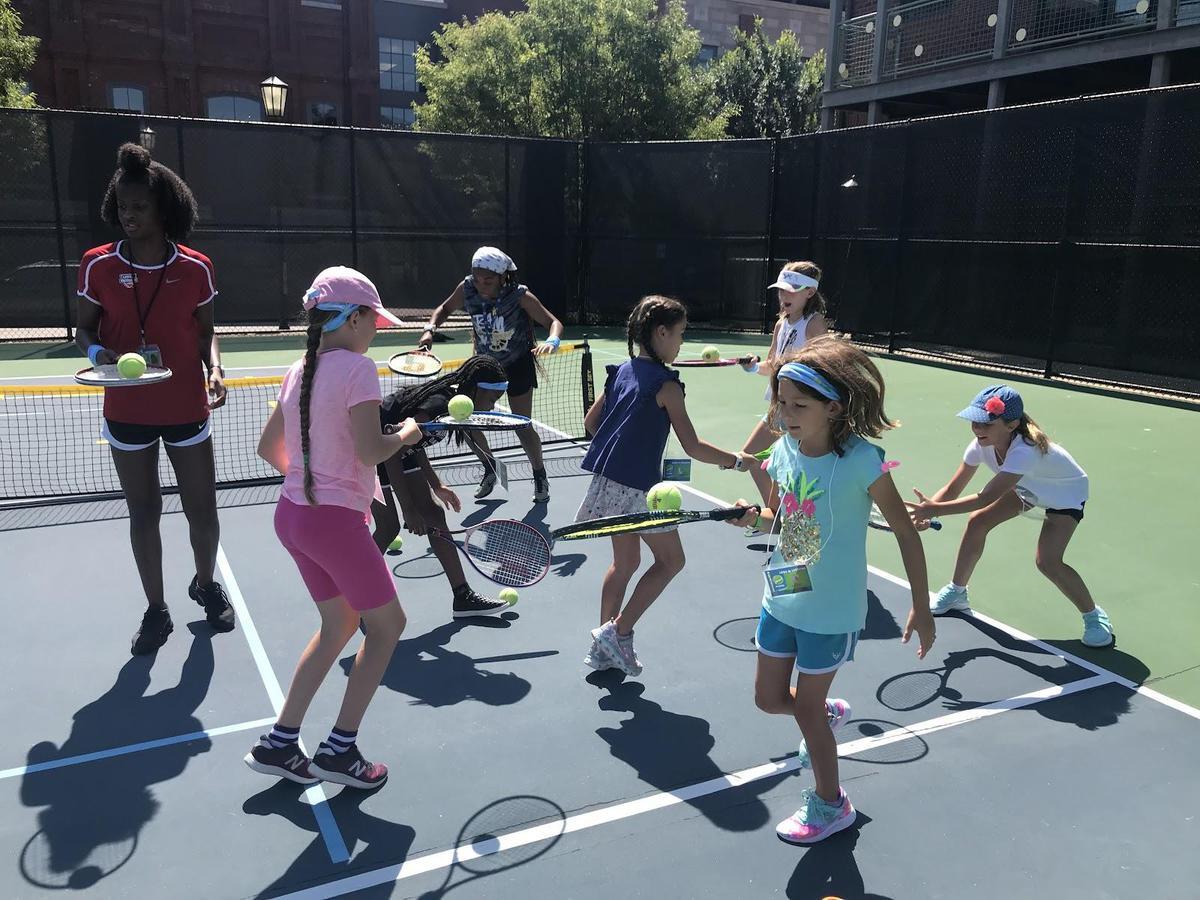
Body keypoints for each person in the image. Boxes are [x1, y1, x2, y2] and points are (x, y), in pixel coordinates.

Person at [729, 335, 934, 844]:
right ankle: (823, 714)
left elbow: (907, 534)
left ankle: (831, 804)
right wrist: (755, 521)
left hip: (831, 608)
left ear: (833, 408)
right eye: (780, 403)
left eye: (799, 405)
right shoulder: (782, 451)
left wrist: (922, 607)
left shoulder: (864, 461)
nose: (785, 413)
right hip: (782, 595)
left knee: (801, 709)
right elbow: (782, 519)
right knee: (767, 698)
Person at [245, 267, 421, 789]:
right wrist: (408, 434)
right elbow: (371, 450)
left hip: (293, 516)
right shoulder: (359, 370)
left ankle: (280, 742)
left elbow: (268, 449)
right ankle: (340, 751)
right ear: (356, 317)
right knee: (388, 627)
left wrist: (312, 479)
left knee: (339, 625)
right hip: (333, 524)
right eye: (375, 320)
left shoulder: (300, 367)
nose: (377, 331)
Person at [75, 142, 234, 656]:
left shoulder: (197, 268)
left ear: (165, 209)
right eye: (122, 206)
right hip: (126, 410)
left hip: (187, 406)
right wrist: (99, 352)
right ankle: (157, 610)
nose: (129, 215)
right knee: (143, 512)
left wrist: (216, 367)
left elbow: (208, 331)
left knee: (202, 510)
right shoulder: (98, 266)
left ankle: (205, 584)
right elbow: (84, 330)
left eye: (139, 207)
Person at [578, 295, 747, 677]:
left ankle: (603, 647)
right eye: (681, 334)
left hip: (608, 482)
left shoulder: (620, 371)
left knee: (625, 563)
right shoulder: (667, 386)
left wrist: (625, 441)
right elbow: (693, 446)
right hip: (638, 488)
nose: (682, 342)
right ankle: (618, 633)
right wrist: (736, 461)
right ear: (661, 332)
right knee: (672, 561)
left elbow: (592, 424)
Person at [907, 384, 1112, 648]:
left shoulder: (1025, 451)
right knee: (978, 522)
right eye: (975, 422)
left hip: (1063, 495)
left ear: (1011, 424)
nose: (978, 429)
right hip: (1026, 487)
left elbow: (986, 497)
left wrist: (933, 510)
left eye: (986, 424)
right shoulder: (980, 445)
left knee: (1047, 561)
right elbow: (954, 488)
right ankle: (957, 592)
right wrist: (929, 507)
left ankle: (1094, 616)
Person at [417, 247, 564, 504]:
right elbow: (443, 308)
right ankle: (490, 468)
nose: (481, 284)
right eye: (477, 277)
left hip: (518, 365)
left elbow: (553, 322)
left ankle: (539, 475)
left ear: (502, 277)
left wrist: (552, 341)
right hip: (484, 367)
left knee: (522, 425)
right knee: (466, 421)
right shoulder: (466, 289)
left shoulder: (520, 296)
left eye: (488, 279)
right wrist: (430, 329)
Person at [372, 355, 513, 618]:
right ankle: (353, 598)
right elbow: (392, 449)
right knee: (388, 526)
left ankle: (463, 597)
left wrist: (436, 485)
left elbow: (413, 444)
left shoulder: (452, 407)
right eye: (492, 400)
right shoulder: (438, 405)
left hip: (395, 449)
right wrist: (409, 510)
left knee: (435, 515)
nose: (492, 408)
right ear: (476, 389)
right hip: (370, 449)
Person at [740, 262, 829, 459]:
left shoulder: (814, 323)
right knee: (751, 458)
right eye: (781, 291)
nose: (784, 296)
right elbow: (773, 365)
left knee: (759, 460)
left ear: (810, 292)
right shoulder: (781, 324)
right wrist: (753, 367)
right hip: (779, 404)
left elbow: (825, 369)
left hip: (801, 407)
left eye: (791, 291)